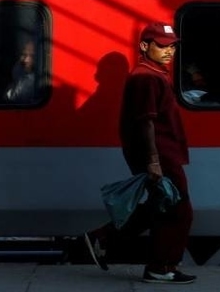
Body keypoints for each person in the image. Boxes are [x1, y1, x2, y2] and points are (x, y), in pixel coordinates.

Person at [83, 22, 196, 284]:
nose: (169, 51)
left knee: (161, 207)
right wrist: (153, 161)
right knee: (179, 210)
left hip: (162, 153)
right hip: (160, 155)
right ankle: (161, 267)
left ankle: (103, 238)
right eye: (163, 46)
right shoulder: (146, 77)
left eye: (172, 46)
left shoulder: (154, 74)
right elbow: (145, 122)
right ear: (145, 46)